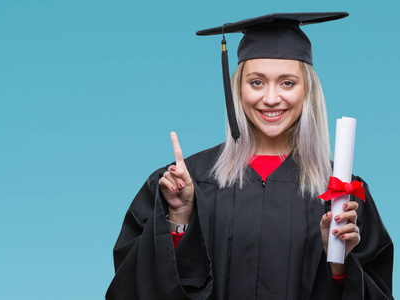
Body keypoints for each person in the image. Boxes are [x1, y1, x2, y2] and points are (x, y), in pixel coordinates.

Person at [106, 12, 393, 299]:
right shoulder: (191, 181)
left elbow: (374, 289)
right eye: (256, 82)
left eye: (287, 83)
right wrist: (179, 220)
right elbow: (137, 285)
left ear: (308, 91)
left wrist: (338, 264)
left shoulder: (339, 192)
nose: (270, 98)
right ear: (237, 90)